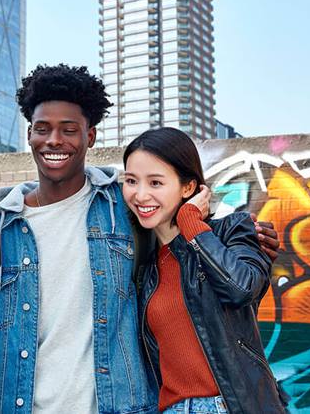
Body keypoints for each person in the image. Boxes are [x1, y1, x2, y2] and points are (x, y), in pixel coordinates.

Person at [0, 64, 281, 414]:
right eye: (42, 129)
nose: (54, 140)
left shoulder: (118, 208)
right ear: (29, 134)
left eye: (69, 129)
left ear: (89, 137)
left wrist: (205, 223)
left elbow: (231, 277)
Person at [123, 127, 289, 414]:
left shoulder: (234, 230)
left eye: (156, 183)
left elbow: (240, 289)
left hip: (230, 407)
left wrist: (190, 222)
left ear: (188, 187)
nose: (140, 194)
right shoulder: (145, 267)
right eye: (131, 181)